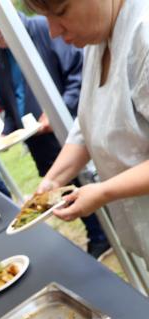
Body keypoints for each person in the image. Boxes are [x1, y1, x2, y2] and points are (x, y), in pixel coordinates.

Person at [0, 0, 109, 257]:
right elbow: (11, 109)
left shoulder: (47, 30)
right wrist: (4, 136)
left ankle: (103, 232)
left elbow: (77, 78)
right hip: (41, 143)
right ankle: (97, 233)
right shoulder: (0, 64)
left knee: (84, 183)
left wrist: (58, 110)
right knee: (59, 191)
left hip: (66, 130)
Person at [22, 0, 149, 266]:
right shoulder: (97, 41)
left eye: (61, 12)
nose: (53, 31)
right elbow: (89, 121)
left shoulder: (144, 33)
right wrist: (52, 181)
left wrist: (103, 192)